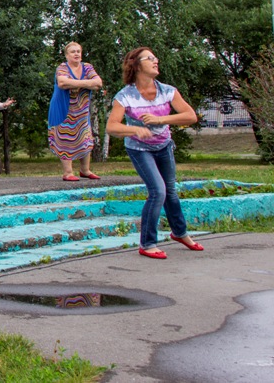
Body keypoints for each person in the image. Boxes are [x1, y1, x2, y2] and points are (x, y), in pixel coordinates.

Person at [106, 47, 203, 259]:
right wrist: (134, 129)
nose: (155, 61)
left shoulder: (167, 90)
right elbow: (112, 127)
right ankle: (147, 243)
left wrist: (161, 120)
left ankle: (179, 233)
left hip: (164, 146)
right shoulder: (125, 96)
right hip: (140, 149)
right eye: (149, 58)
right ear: (136, 65)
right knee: (158, 191)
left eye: (155, 58)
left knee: (170, 191)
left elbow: (190, 116)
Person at [48, 42, 103, 181]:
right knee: (65, 137)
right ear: (67, 55)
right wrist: (87, 83)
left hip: (82, 109)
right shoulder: (62, 67)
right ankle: (68, 172)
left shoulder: (87, 67)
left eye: (78, 51)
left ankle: (85, 170)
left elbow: (98, 83)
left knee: (85, 136)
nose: (76, 54)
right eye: (73, 51)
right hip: (63, 108)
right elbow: (62, 83)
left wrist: (74, 83)